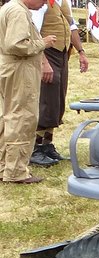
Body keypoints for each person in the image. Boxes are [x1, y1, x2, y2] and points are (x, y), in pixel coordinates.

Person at [0, 0, 55, 183]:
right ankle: (16, 171)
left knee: (6, 117)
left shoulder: (9, 8)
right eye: (43, 0)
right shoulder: (18, 12)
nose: (44, 4)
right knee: (22, 116)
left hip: (9, 68)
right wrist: (42, 43)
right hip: (19, 70)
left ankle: (4, 167)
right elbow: (16, 45)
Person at [30, 0, 87, 166]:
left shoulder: (64, 1)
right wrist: (43, 62)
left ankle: (47, 145)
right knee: (45, 100)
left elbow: (71, 26)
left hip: (61, 53)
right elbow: (33, 31)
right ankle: (35, 148)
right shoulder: (39, 3)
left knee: (56, 101)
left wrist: (81, 52)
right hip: (47, 52)